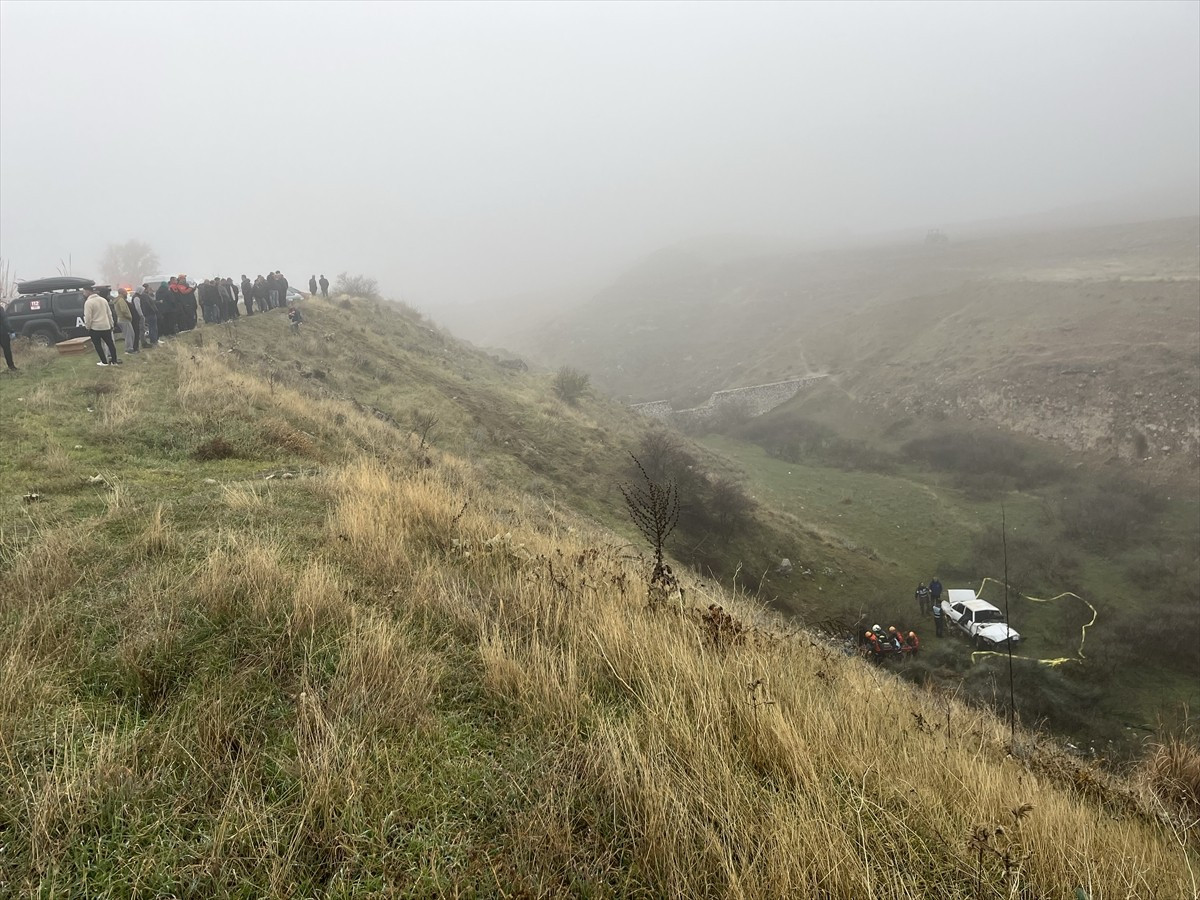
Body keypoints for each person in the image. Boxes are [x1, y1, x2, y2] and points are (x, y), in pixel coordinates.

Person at [84, 286, 120, 366]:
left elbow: (88, 316)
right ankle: (114, 361)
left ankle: (104, 361)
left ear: (88, 292)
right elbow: (109, 313)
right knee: (110, 344)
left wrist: (88, 326)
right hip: (106, 326)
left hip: (95, 327)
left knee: (98, 345)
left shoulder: (88, 302)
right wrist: (111, 324)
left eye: (84, 292)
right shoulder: (103, 300)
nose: (84, 293)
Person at [114, 288, 138, 353]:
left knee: (131, 334)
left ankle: (130, 348)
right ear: (122, 293)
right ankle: (129, 349)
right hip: (124, 319)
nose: (127, 293)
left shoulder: (118, 300)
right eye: (125, 292)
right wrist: (129, 316)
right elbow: (124, 310)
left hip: (121, 319)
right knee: (129, 335)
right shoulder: (121, 300)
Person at [0, 301, 17, 371]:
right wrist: (11, 331)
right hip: (2, 333)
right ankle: (11, 366)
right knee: (7, 350)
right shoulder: (0, 309)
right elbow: (5, 321)